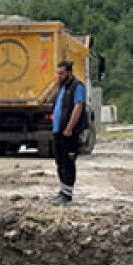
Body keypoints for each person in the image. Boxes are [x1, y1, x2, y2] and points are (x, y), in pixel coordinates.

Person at [50, 60, 86, 205]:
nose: (59, 76)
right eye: (57, 73)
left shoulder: (77, 86)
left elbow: (78, 107)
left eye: (61, 74)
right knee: (60, 162)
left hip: (69, 132)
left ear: (69, 72)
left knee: (68, 162)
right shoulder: (62, 87)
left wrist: (69, 128)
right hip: (59, 131)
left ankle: (67, 194)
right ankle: (62, 191)